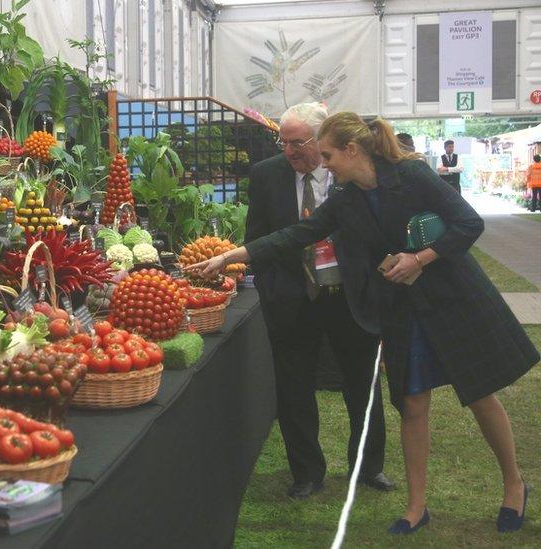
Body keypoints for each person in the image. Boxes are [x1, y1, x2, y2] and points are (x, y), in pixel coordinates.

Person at [187, 112, 537, 535]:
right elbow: (297, 234)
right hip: (402, 305)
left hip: (451, 297)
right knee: (412, 403)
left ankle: (514, 484)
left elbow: (469, 223)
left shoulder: (412, 175)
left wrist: (419, 258)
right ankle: (416, 507)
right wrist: (229, 257)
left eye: (329, 155)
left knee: (481, 394)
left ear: (352, 150)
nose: (325, 163)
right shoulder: (347, 197)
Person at [244, 102, 391, 500]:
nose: (289, 150)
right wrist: (272, 287)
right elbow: (257, 236)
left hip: (348, 296)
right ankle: (306, 472)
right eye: (283, 141)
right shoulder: (266, 175)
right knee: (294, 389)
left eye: (298, 142)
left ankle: (368, 467)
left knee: (362, 384)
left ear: (319, 139)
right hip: (293, 299)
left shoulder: (345, 171)